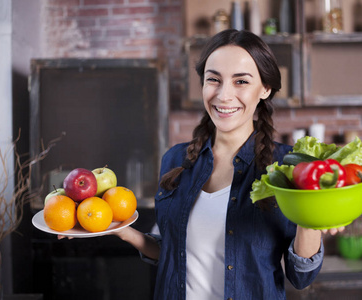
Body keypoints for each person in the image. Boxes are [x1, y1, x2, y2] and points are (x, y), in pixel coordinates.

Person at [61, 29, 342, 299]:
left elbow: (301, 276)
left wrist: (310, 218)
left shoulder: (287, 168)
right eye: (214, 79)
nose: (223, 95)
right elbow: (175, 254)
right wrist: (119, 230)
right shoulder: (176, 160)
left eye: (241, 81)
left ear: (265, 88)